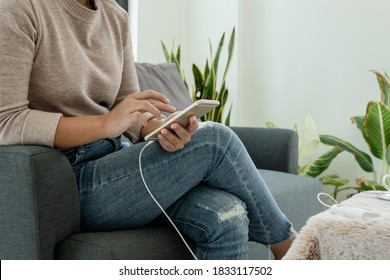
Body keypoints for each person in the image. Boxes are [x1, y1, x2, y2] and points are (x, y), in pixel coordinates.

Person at [0, 0, 295, 259]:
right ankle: (295, 252)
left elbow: (127, 108)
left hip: (120, 161)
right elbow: (7, 121)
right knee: (215, 139)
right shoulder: (20, 9)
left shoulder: (115, 16)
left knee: (228, 215)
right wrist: (106, 124)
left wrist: (160, 128)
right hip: (68, 180)